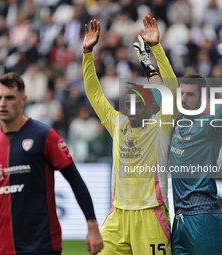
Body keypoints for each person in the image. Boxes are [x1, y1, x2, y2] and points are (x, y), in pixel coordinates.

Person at [0, 72, 103, 255]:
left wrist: (92, 225)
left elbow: (75, 180)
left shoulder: (44, 136)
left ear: (23, 100)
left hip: (43, 244)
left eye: (9, 97)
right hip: (6, 247)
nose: (2, 103)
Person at [82, 16, 177, 254]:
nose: (129, 106)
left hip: (151, 214)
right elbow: (95, 94)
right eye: (127, 102)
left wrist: (156, 48)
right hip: (118, 214)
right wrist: (87, 53)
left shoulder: (160, 126)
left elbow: (172, 88)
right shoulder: (117, 123)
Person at [170, 36, 222, 255]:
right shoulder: (176, 121)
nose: (184, 99)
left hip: (203, 219)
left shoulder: (210, 123)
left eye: (190, 95)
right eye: (182, 93)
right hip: (179, 221)